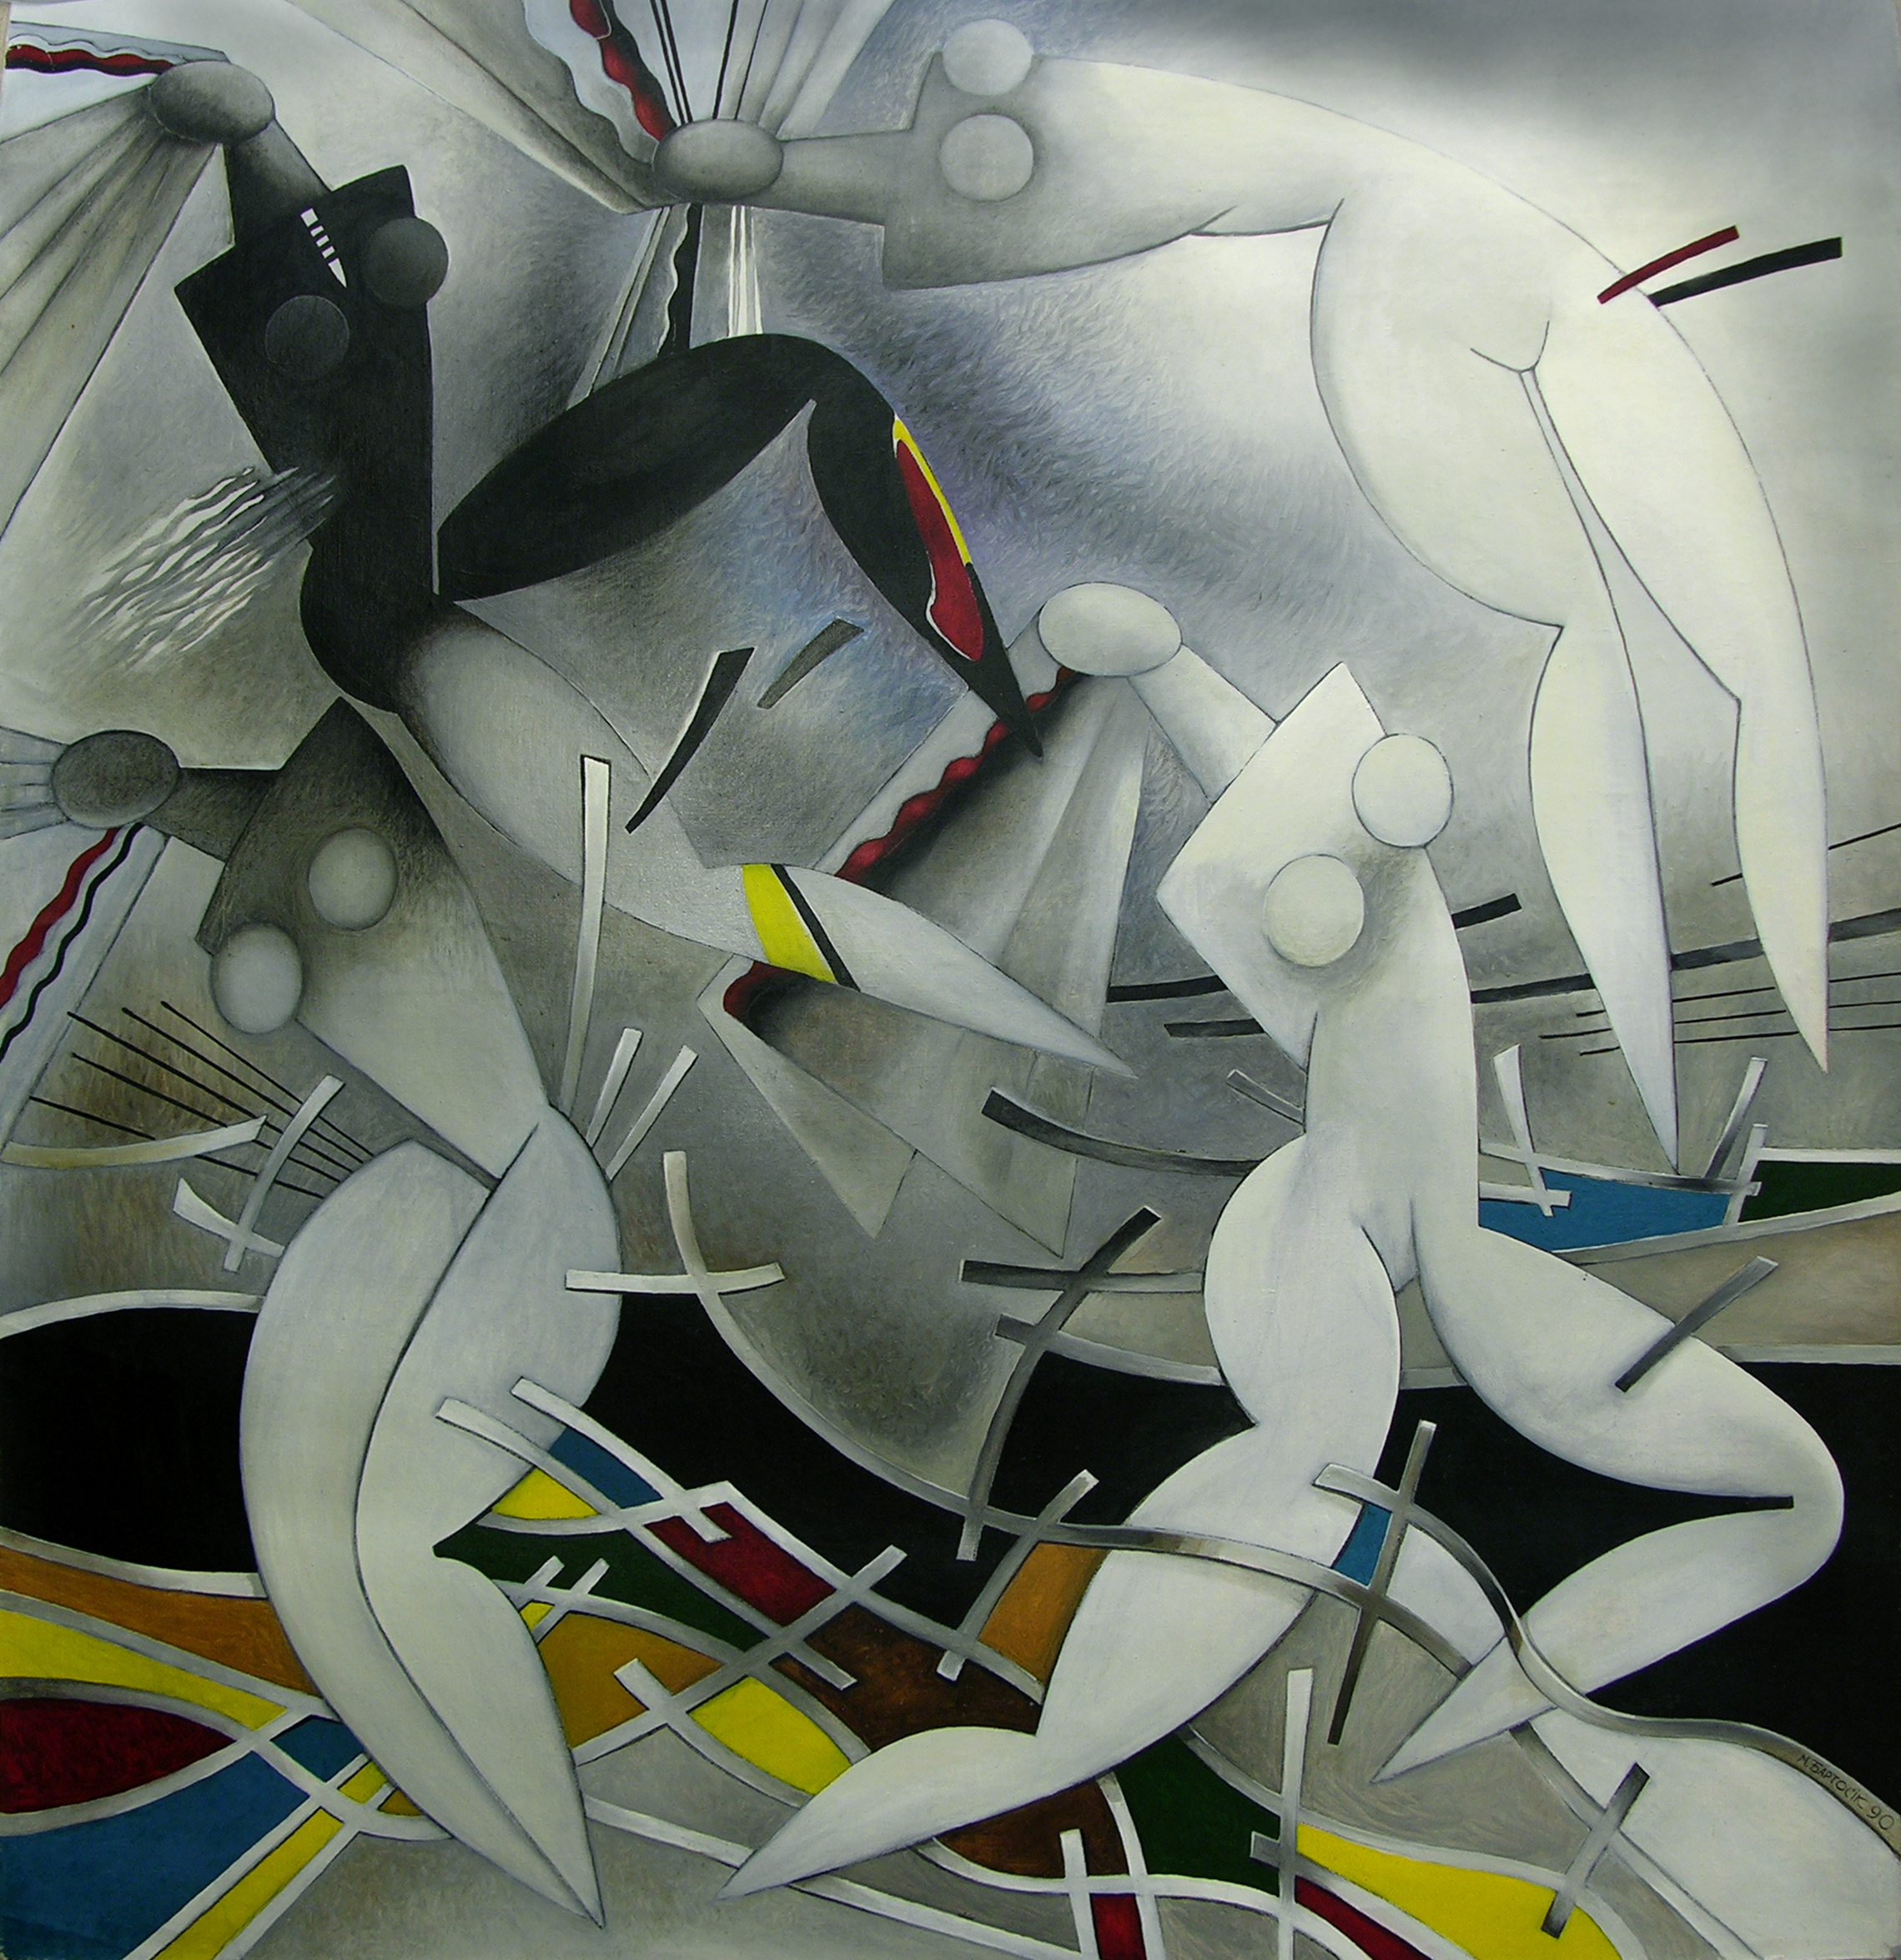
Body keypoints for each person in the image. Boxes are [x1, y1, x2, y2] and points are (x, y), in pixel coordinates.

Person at [723, 582, 1842, 1899]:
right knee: (1303, 1507)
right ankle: (1042, 1759)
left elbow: (1273, 796)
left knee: (1799, 1496)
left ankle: (1510, 1687)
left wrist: (1169, 667)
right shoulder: (1360, 928)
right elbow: (1270, 801)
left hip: (1398, 1242)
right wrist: (1167, 667)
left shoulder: (1374, 903)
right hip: (1335, 1244)